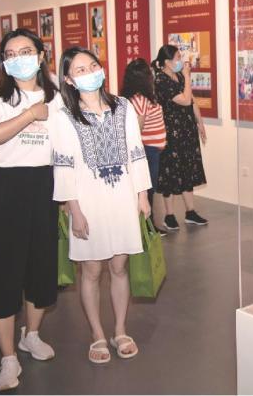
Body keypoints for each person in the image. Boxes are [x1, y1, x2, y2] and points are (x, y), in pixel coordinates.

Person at [51, 47, 151, 364]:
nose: (90, 73)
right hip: (87, 202)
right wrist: (74, 210)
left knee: (119, 267)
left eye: (93, 65)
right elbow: (63, 166)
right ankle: (97, 333)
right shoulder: (64, 117)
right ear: (68, 79)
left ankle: (120, 330)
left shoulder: (123, 107)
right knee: (92, 271)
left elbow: (136, 151)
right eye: (80, 70)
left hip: (123, 197)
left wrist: (142, 194)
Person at [0, 28, 59, 391]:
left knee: (41, 266)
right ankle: (8, 358)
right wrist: (29, 115)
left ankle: (32, 334)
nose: (18, 58)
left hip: (44, 185)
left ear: (40, 56)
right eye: (10, 54)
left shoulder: (58, 97)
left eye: (26, 51)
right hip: (4, 188)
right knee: (3, 271)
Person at [152, 45, 208, 231]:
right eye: (177, 57)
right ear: (167, 62)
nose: (181, 60)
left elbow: (192, 101)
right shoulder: (161, 80)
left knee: (187, 168)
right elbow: (184, 100)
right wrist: (188, 77)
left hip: (187, 130)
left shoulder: (180, 76)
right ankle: (169, 215)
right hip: (171, 132)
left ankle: (190, 212)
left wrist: (200, 123)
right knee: (171, 171)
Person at [121, 58, 167, 236]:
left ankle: (147, 226)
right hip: (147, 151)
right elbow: (137, 129)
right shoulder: (139, 99)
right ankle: (147, 227)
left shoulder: (141, 98)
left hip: (152, 150)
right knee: (147, 190)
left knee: (149, 189)